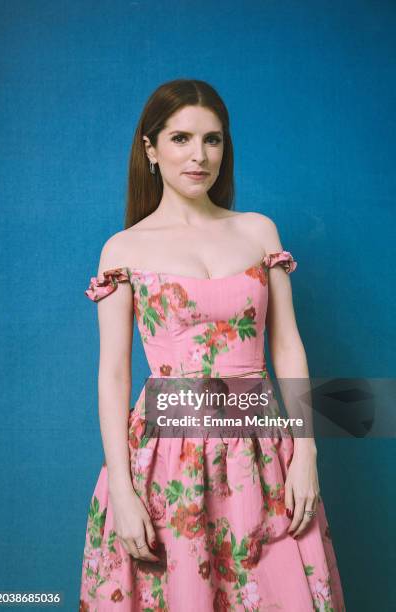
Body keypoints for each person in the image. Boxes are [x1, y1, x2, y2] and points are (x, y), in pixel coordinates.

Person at [79, 79, 346, 611]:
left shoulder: (257, 232)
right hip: (165, 461)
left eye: (213, 140)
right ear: (150, 150)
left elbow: (288, 346)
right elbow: (113, 374)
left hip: (264, 452)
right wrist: (125, 493)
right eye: (180, 139)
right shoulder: (124, 248)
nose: (199, 156)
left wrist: (307, 452)